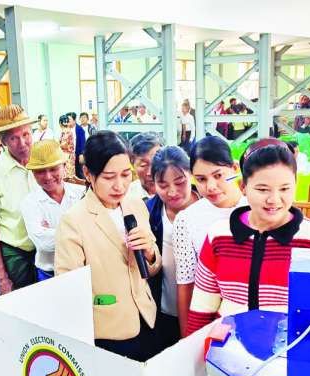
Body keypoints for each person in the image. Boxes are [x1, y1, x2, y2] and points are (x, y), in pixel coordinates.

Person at [187, 139, 310, 334]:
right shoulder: (219, 235)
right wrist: (196, 348)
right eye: (262, 189)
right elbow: (202, 306)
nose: (273, 199)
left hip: (288, 347)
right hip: (227, 346)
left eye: (284, 189)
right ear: (243, 186)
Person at [55, 131, 162, 362]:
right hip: (107, 332)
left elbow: (152, 267)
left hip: (147, 318)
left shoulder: (136, 205)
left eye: (125, 174)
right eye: (109, 177)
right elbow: (68, 290)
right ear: (88, 174)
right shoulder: (74, 221)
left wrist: (150, 253)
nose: (119, 185)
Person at [173, 136, 247, 336]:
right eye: (201, 179)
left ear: (234, 169)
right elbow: (186, 284)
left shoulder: (256, 210)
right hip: (206, 323)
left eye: (218, 175)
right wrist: (187, 339)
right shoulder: (187, 220)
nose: (210, 186)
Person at [0, 104, 38, 292]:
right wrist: (2, 277)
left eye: (26, 135)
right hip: (15, 252)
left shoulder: (41, 162)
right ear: (3, 141)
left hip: (45, 248)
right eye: (14, 138)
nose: (22, 143)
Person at [146, 146, 199, 348]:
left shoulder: (207, 210)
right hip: (162, 312)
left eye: (180, 182)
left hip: (203, 311)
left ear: (191, 174)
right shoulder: (149, 213)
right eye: (163, 185)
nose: (172, 192)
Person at [21, 140, 84, 281]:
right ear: (33, 173)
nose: (48, 176)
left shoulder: (81, 194)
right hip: (48, 273)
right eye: (40, 171)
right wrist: (81, 232)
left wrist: (52, 232)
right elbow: (43, 243)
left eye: (53, 169)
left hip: (81, 269)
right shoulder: (30, 203)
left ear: (64, 166)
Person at [129, 132, 163, 200]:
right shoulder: (126, 196)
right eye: (143, 165)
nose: (150, 173)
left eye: (155, 163)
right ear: (132, 165)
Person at [58, 114, 76, 179]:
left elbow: (64, 145)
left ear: (60, 123)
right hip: (67, 155)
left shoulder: (66, 132)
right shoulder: (68, 131)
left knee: (68, 175)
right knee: (68, 174)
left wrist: (57, 146)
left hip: (67, 156)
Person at [71, 111, 87, 179]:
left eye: (69, 120)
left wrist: (81, 154)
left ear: (74, 120)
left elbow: (83, 142)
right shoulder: (67, 129)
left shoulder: (79, 129)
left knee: (80, 173)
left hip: (78, 155)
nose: (68, 121)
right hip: (70, 156)